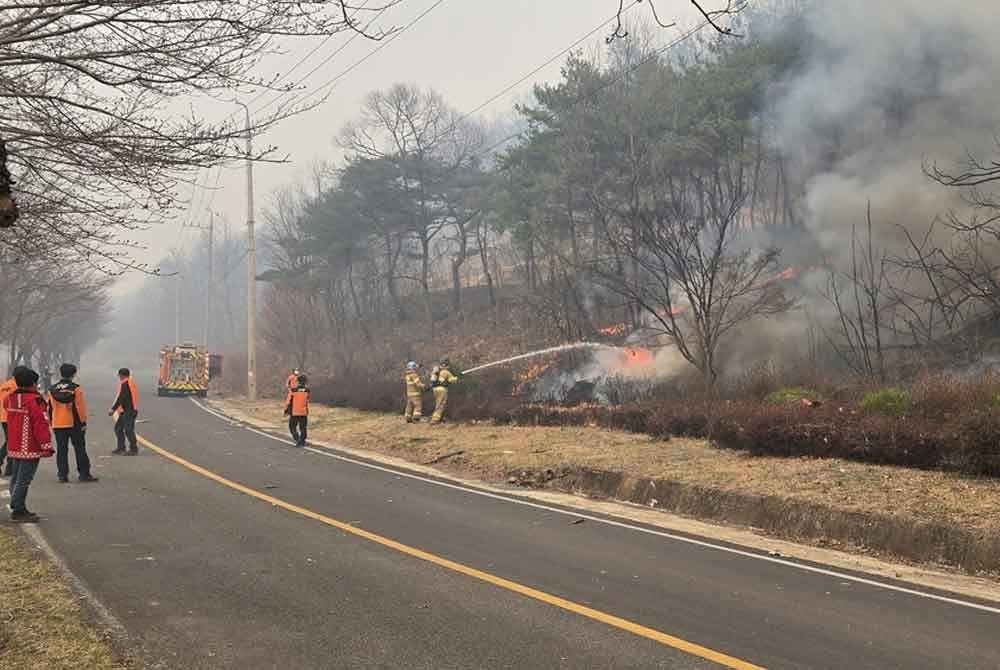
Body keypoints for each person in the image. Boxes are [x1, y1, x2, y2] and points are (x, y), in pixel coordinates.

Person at [3, 368, 53, 522]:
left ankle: (17, 505)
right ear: (33, 383)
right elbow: (40, 425)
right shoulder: (34, 401)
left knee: (16, 478)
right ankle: (18, 509)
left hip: (14, 445)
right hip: (30, 446)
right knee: (24, 480)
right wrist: (46, 446)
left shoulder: (10, 398)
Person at [49, 363, 98, 483]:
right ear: (74, 374)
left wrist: (52, 422)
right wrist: (83, 423)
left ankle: (62, 475)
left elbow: (49, 408)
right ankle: (84, 474)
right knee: (80, 449)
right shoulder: (76, 388)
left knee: (62, 450)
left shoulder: (52, 389)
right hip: (74, 423)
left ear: (60, 373)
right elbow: (79, 408)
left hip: (58, 424)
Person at [0, 366, 26, 477]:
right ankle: (9, 467)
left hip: (3, 417)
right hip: (14, 416)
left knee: (10, 441)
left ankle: (10, 467)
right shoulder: (18, 386)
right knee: (12, 442)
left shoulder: (4, 385)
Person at [109, 367, 139, 455]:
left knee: (128, 430)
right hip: (126, 410)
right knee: (118, 428)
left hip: (129, 411)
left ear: (122, 375)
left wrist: (113, 409)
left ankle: (134, 449)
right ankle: (121, 448)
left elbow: (122, 398)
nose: (119, 377)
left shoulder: (126, 384)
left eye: (119, 375)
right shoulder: (128, 383)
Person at [430, 358, 459, 425]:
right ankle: (435, 420)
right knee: (441, 405)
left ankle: (439, 418)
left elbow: (433, 379)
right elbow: (452, 380)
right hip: (442, 390)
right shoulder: (446, 372)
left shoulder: (436, 372)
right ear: (447, 365)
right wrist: (457, 377)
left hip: (435, 389)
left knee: (438, 403)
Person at [285, 374, 309, 447]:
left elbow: (288, 401)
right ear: (305, 382)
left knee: (292, 427)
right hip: (304, 412)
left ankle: (297, 439)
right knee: (303, 427)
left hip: (294, 412)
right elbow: (307, 400)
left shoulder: (293, 390)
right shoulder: (307, 390)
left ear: (298, 381)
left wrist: (286, 410)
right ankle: (303, 441)